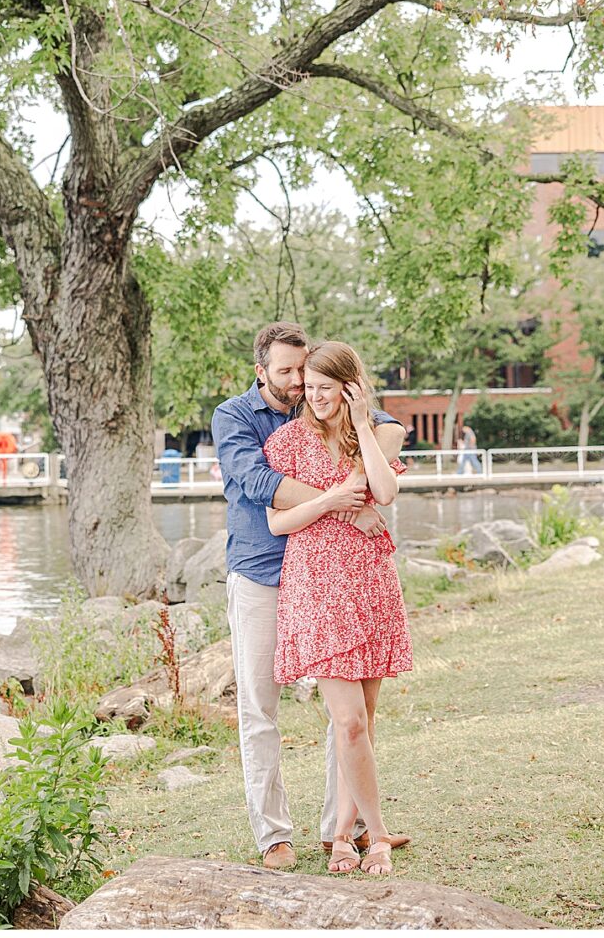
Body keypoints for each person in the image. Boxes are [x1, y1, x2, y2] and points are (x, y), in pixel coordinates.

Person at [212, 322, 410, 871]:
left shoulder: (323, 404)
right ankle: (273, 833)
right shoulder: (237, 418)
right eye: (287, 373)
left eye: (306, 371)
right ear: (261, 372)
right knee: (259, 708)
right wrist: (348, 500)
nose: (299, 383)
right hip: (261, 572)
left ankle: (338, 829)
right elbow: (256, 483)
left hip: (334, 578)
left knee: (344, 712)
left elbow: (389, 428)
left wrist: (367, 449)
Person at [265, 342, 412, 876]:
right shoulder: (286, 442)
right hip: (318, 589)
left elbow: (386, 490)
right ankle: (377, 835)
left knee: (365, 723)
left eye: (327, 388)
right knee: (346, 721)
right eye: (309, 387)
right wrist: (332, 501)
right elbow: (278, 523)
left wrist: (361, 425)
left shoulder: (367, 437)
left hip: (371, 581)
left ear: (349, 387)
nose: (315, 396)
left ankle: (345, 838)